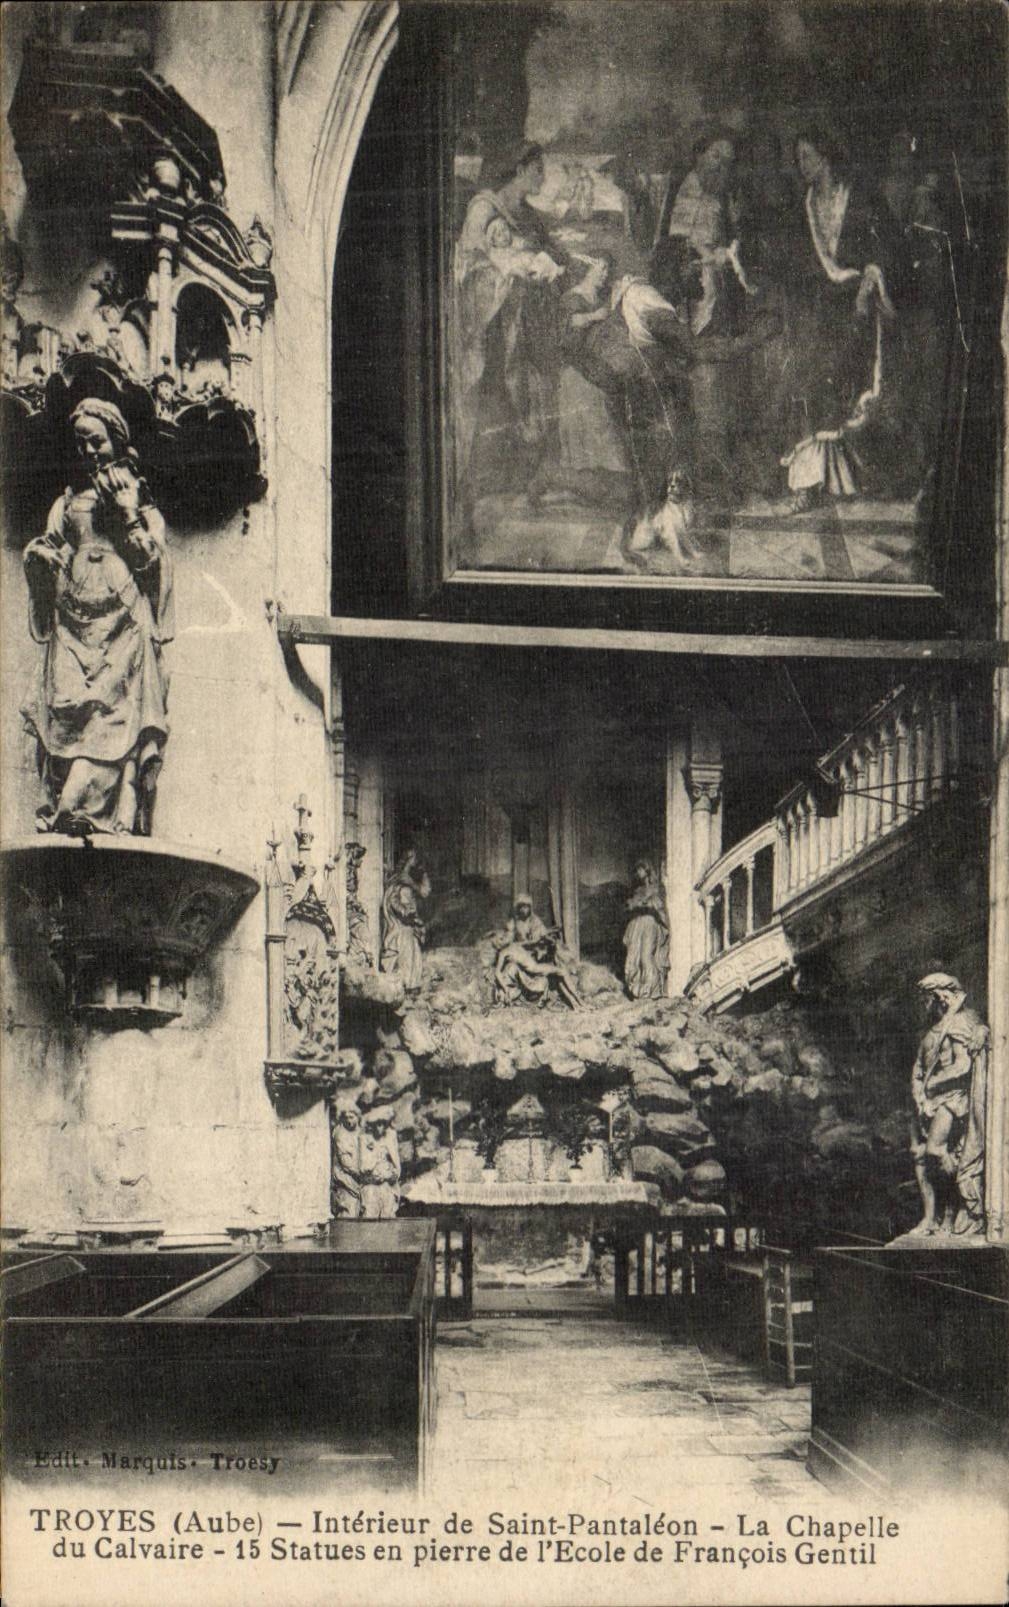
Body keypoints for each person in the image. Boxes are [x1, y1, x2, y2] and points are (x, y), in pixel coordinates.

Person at [21, 398, 172, 836]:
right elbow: (47, 549)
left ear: (117, 441)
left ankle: (106, 813)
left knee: (117, 715)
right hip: (72, 623)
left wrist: (128, 512)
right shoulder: (67, 502)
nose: (89, 451)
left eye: (97, 441)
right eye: (81, 443)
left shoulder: (138, 498)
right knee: (65, 705)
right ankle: (64, 805)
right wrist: (37, 559)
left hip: (123, 626)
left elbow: (155, 566)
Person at [779, 125, 899, 512]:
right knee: (810, 382)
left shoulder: (859, 196)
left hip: (858, 306)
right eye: (798, 158)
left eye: (808, 156)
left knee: (850, 386)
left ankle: (854, 478)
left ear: (826, 156)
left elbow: (886, 245)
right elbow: (797, 262)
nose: (802, 165)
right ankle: (809, 483)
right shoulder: (804, 206)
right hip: (819, 310)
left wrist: (868, 283)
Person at [453, 143, 566, 495]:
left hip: (523, 317)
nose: (542, 178)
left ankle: (526, 473)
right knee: (497, 388)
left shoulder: (526, 213)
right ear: (519, 170)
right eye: (537, 170)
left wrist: (548, 261)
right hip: (492, 322)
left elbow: (549, 248)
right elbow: (468, 266)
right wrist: (511, 269)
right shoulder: (484, 209)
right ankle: (485, 478)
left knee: (531, 383)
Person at [909, 971, 988, 1237]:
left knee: (937, 1152)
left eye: (926, 998)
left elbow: (963, 1066)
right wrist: (920, 1097)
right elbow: (918, 1070)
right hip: (928, 1102)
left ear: (940, 997)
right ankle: (930, 1218)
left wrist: (932, 1085)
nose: (923, 1004)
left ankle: (957, 1209)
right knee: (920, 1156)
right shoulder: (929, 1031)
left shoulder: (959, 1023)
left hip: (952, 1099)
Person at [492, 894, 581, 1009]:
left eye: (527, 906)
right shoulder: (513, 925)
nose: (524, 909)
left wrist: (547, 938)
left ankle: (578, 1002)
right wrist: (504, 988)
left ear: (530, 907)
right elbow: (509, 945)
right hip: (523, 960)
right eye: (522, 907)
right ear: (518, 908)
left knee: (558, 971)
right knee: (513, 969)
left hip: (534, 958)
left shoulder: (535, 921)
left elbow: (542, 936)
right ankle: (577, 1003)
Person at [379, 851, 431, 994]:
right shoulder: (401, 880)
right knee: (406, 954)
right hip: (402, 925)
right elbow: (393, 900)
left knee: (414, 954)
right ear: (408, 859)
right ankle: (406, 985)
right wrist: (405, 911)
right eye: (413, 858)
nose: (415, 861)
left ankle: (411, 985)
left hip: (408, 924)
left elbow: (425, 891)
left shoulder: (407, 880)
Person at [622, 860, 669, 1000]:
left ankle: (651, 991)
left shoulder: (657, 888)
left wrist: (644, 904)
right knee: (633, 958)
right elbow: (628, 907)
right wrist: (632, 905)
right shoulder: (638, 891)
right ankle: (637, 990)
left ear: (647, 870)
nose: (638, 873)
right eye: (637, 870)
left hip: (650, 922)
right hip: (637, 924)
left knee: (645, 957)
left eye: (640, 869)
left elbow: (659, 906)